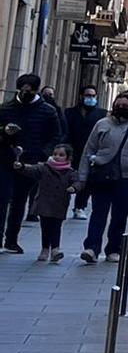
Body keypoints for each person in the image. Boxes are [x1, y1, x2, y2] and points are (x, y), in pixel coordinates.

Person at [77, 94, 128, 265]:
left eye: (125, 105)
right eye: (119, 104)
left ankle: (114, 249)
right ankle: (91, 248)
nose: (121, 108)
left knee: (119, 215)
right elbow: (89, 149)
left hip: (127, 177)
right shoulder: (102, 124)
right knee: (98, 212)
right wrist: (82, 177)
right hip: (102, 174)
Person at [0, 74, 65, 253]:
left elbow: (56, 135)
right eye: (22, 90)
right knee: (2, 199)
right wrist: (5, 132)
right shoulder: (6, 108)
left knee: (19, 201)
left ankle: (11, 240)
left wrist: (42, 154)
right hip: (6, 160)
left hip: (31, 163)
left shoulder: (47, 111)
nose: (25, 93)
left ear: (36, 90)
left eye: (29, 90)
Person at [16, 144, 76, 262]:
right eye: (55, 154)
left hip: (60, 203)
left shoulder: (69, 172)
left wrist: (74, 188)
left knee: (56, 226)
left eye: (61, 155)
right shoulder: (45, 167)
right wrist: (22, 166)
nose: (57, 157)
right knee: (45, 226)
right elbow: (32, 169)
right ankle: (45, 248)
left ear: (68, 158)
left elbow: (77, 181)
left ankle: (55, 249)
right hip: (44, 202)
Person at [64, 84, 103, 217]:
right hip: (72, 151)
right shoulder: (69, 113)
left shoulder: (101, 114)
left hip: (90, 153)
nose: (90, 98)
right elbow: (65, 131)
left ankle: (80, 206)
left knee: (85, 180)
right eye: (88, 95)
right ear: (81, 96)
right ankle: (63, 203)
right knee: (67, 178)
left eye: (93, 96)